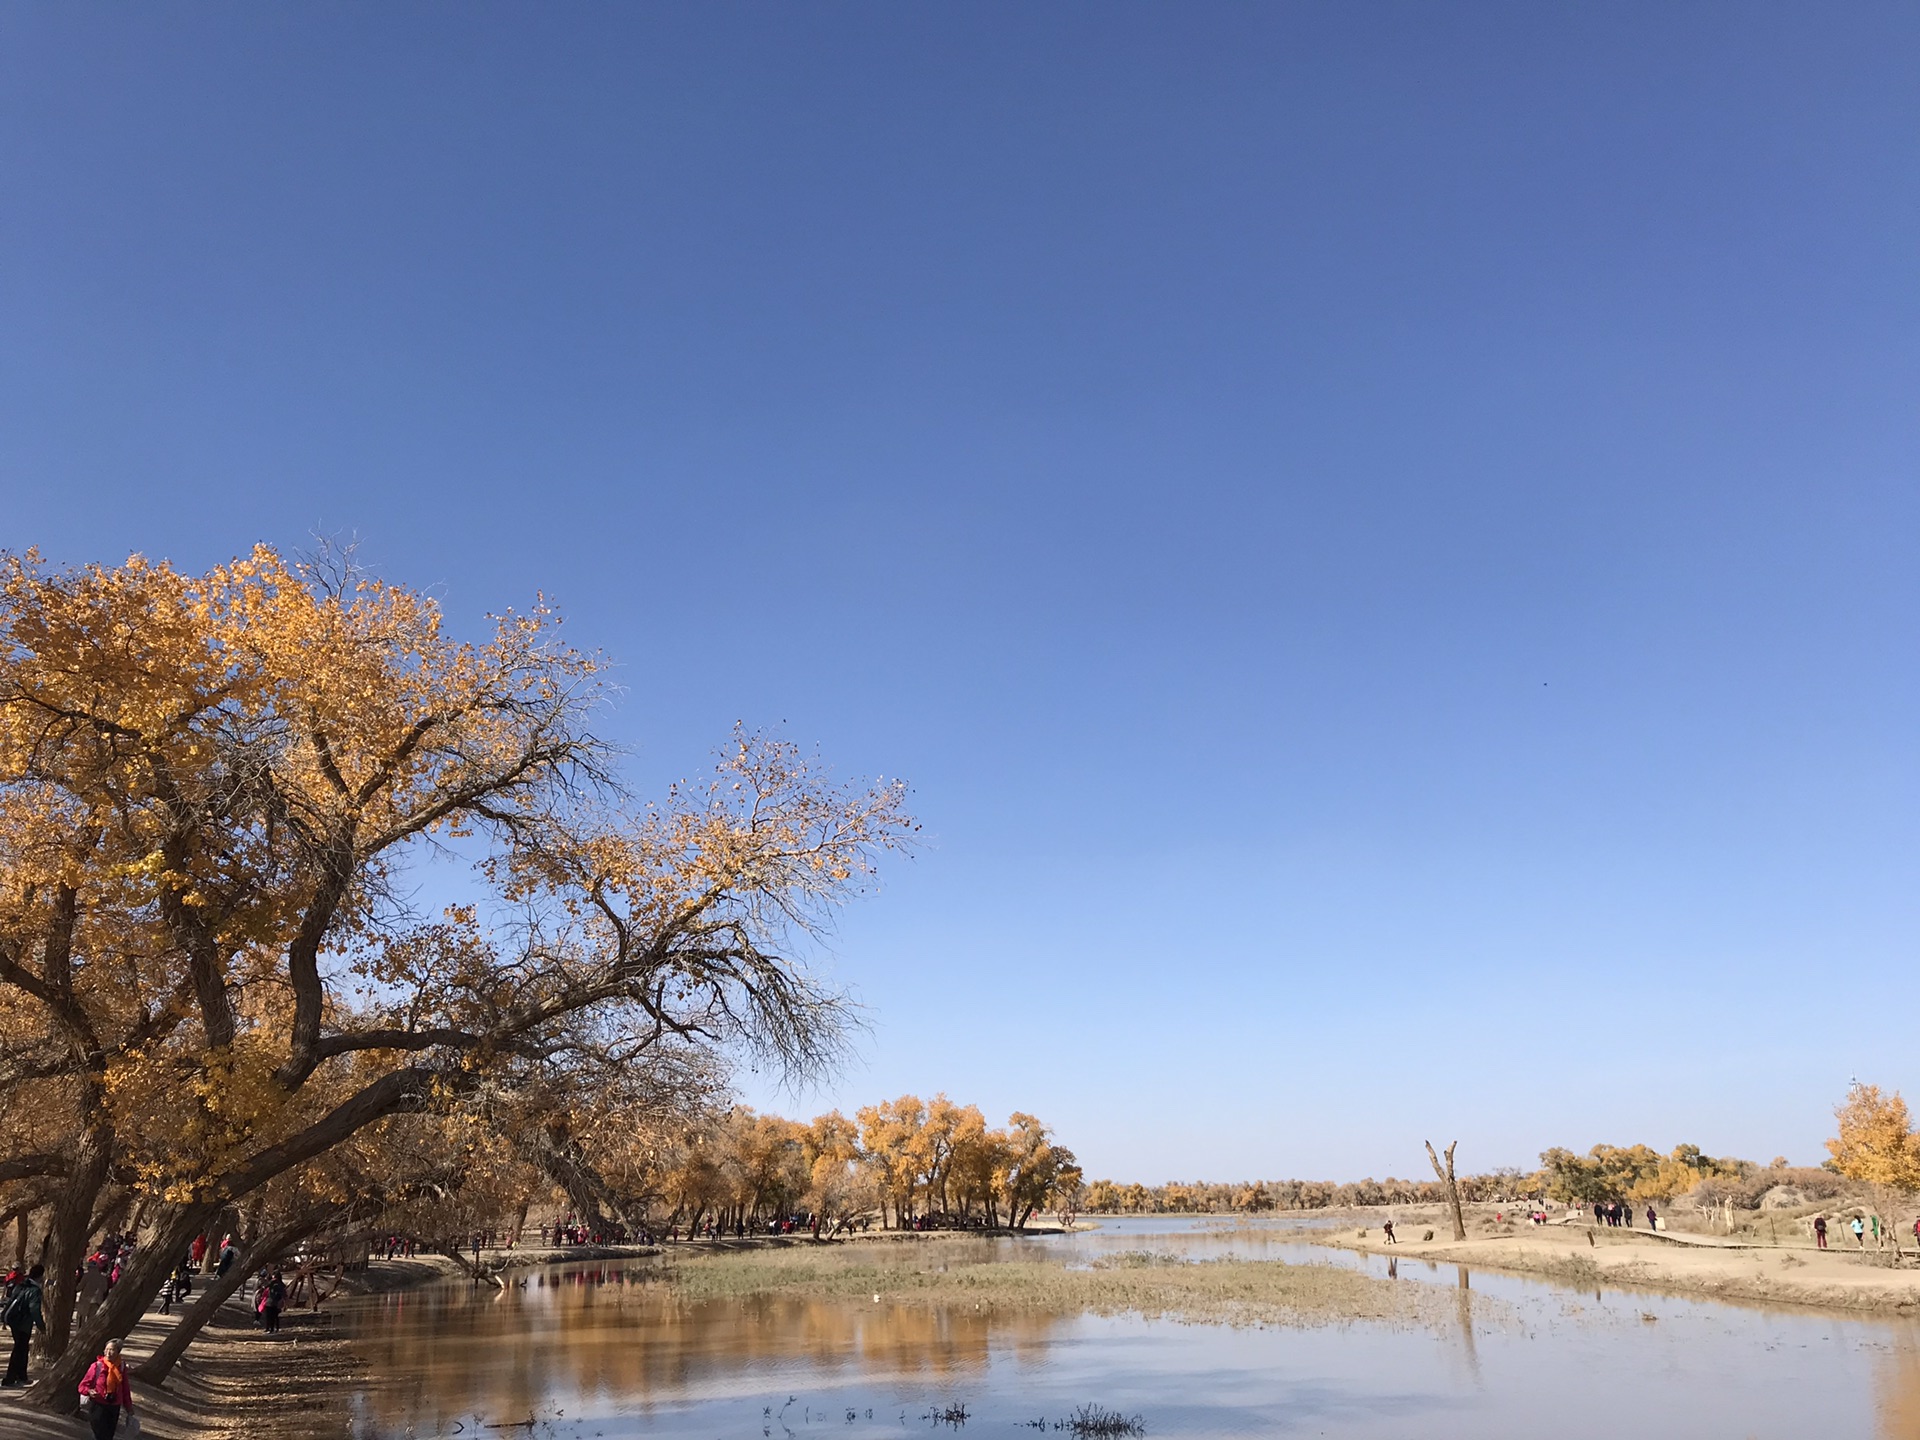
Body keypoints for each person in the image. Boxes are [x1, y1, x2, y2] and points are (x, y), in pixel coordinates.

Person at [78, 1336, 133, 1440]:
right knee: (99, 1435)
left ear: (118, 1352)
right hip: (98, 1406)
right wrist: (89, 1391)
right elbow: (82, 1386)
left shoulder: (121, 1367)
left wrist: (128, 1407)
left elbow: (125, 1388)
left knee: (108, 1436)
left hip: (114, 1407)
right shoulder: (97, 1366)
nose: (108, 1353)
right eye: (106, 1350)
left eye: (112, 1350)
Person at [2, 1264, 46, 1387]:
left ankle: (21, 1376)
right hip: (23, 1322)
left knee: (22, 1348)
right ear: (40, 1276)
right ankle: (10, 1378)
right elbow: (34, 1309)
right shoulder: (34, 1290)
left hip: (13, 1319)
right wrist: (40, 1325)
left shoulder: (21, 1284)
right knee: (20, 1349)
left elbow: (10, 1300)